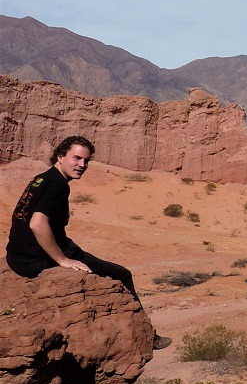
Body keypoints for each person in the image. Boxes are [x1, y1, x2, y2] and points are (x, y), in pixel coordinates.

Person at [5, 136, 171, 350]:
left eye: (86, 160)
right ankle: (148, 338)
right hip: (34, 259)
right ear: (60, 156)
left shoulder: (42, 178)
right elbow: (37, 224)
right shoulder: (58, 186)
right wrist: (62, 260)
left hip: (17, 256)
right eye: (76, 158)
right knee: (122, 274)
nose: (82, 165)